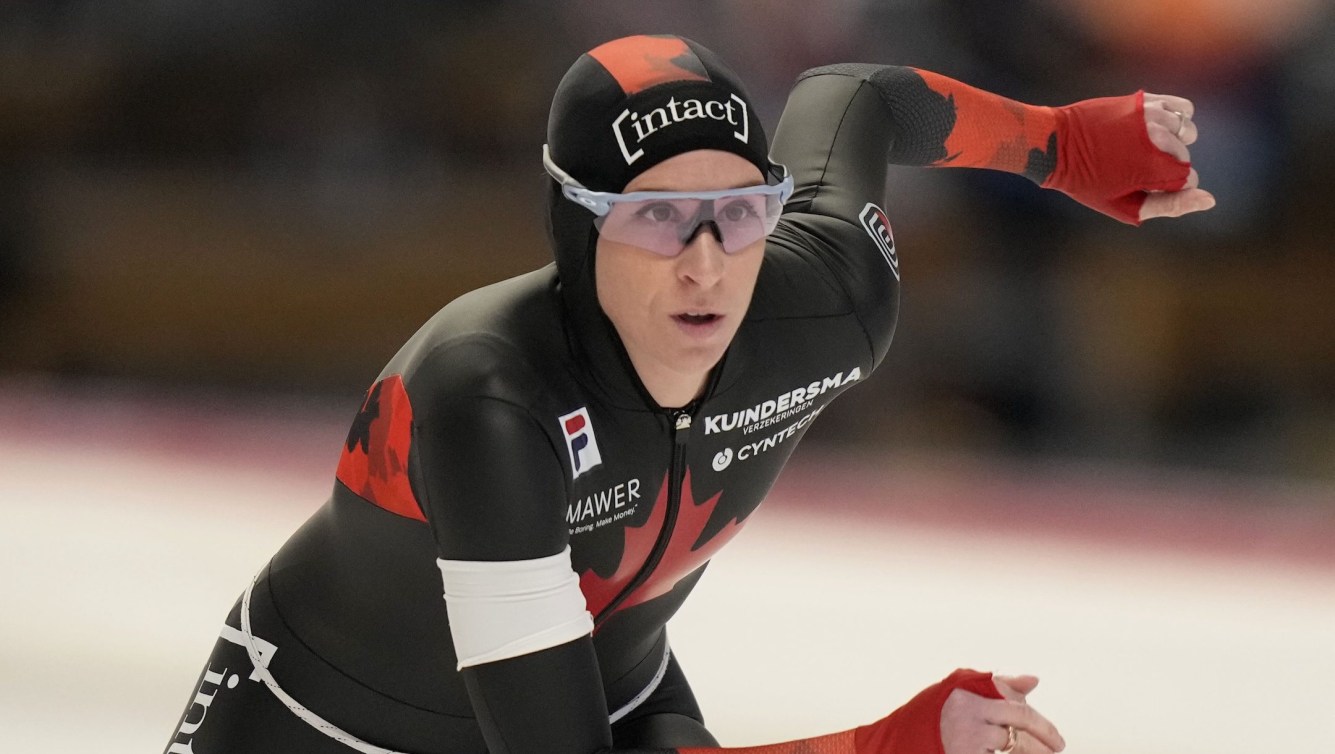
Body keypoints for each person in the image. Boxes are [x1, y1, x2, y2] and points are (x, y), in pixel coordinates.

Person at [165, 34, 1212, 754]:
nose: (708, 266)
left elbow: (860, 101)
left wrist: (1069, 146)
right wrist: (891, 740)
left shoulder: (827, 300)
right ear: (577, 230)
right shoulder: (488, 394)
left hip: (614, 694)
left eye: (741, 212)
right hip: (319, 725)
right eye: (658, 218)